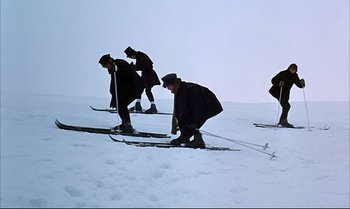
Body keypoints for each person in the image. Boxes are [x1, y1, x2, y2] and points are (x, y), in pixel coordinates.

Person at [161, 73, 223, 148]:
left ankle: (198, 140)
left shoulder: (188, 89)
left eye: (168, 86)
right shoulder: (179, 91)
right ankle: (184, 137)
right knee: (184, 116)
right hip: (200, 106)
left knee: (193, 121)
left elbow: (197, 108)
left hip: (210, 105)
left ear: (173, 83)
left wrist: (194, 123)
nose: (168, 88)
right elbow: (179, 112)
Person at [98, 54, 143, 133]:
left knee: (121, 103)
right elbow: (115, 83)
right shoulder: (113, 69)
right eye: (104, 67)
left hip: (135, 87)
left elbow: (130, 77)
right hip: (128, 88)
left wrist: (122, 92)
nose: (106, 68)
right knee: (119, 104)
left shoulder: (120, 64)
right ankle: (125, 123)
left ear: (110, 61)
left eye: (106, 66)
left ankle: (127, 125)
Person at [124, 46, 161, 113]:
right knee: (139, 88)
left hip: (149, 75)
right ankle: (138, 105)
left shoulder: (141, 56)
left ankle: (153, 107)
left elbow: (148, 65)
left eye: (130, 57)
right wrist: (135, 67)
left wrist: (134, 67)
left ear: (132, 54)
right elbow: (141, 66)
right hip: (145, 75)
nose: (131, 58)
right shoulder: (139, 56)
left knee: (148, 91)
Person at [269, 63, 305, 128]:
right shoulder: (283, 73)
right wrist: (279, 83)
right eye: (292, 69)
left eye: (294, 69)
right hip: (277, 91)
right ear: (289, 68)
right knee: (286, 106)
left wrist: (302, 83)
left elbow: (299, 85)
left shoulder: (295, 76)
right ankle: (283, 122)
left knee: (286, 106)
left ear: (296, 70)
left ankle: (282, 121)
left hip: (285, 94)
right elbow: (273, 80)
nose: (292, 70)